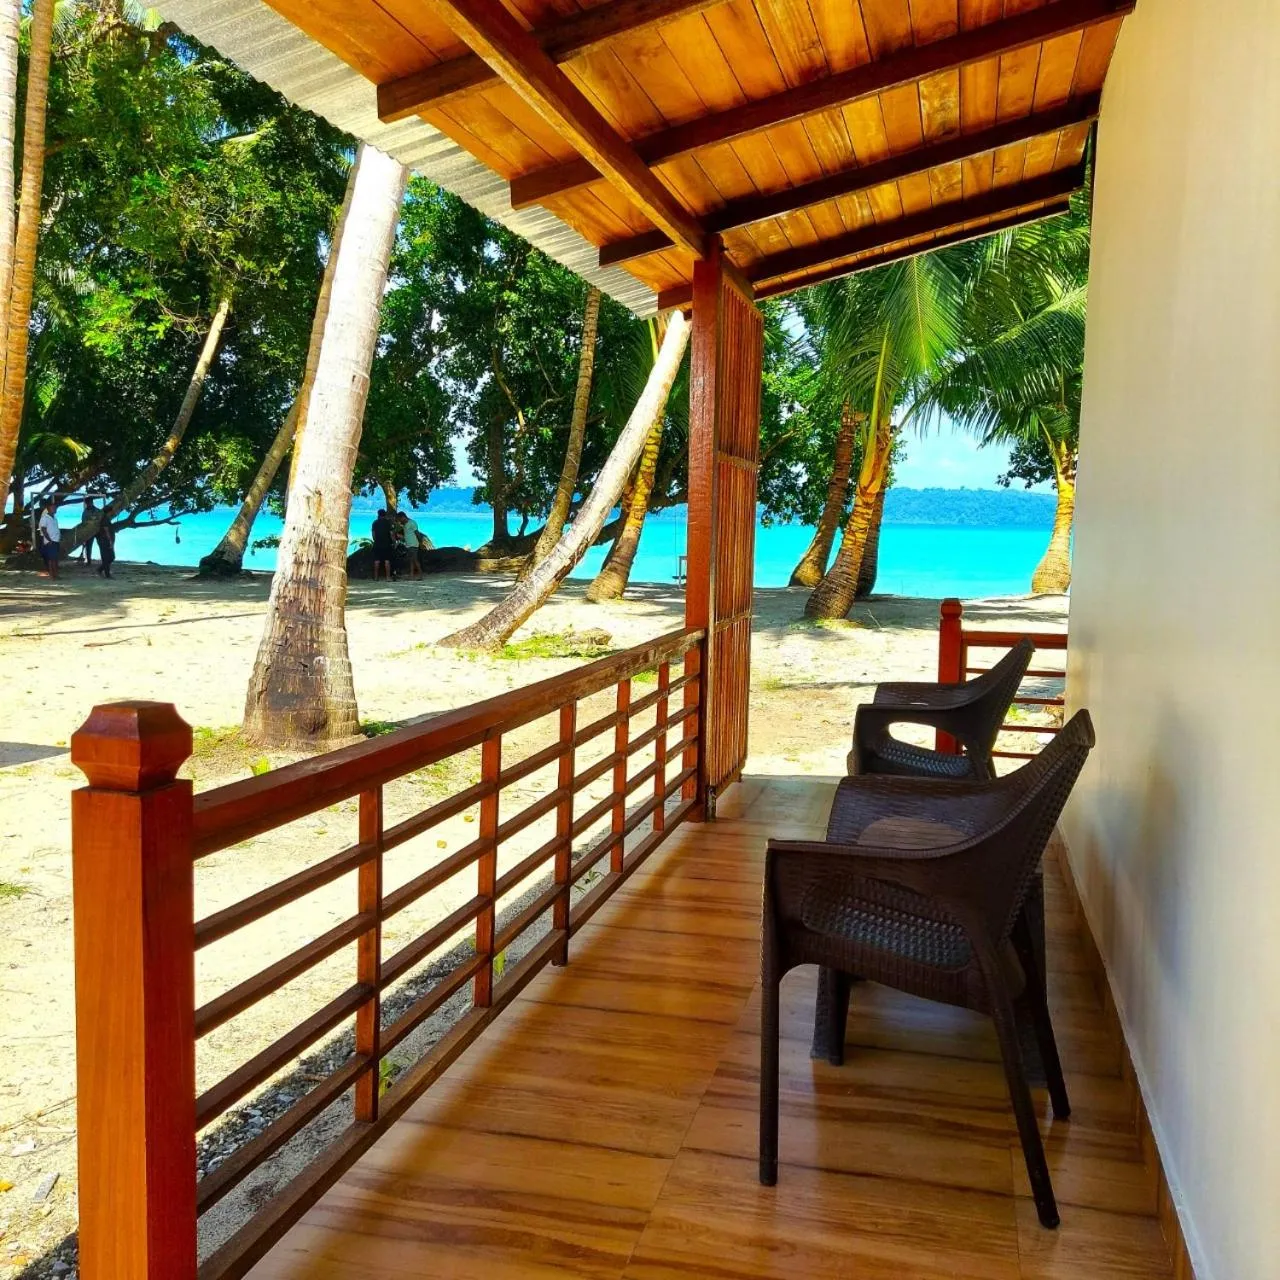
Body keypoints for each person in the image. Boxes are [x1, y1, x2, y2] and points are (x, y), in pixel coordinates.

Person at [37, 500, 61, 579]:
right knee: (51, 559)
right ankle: (52, 575)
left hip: (56, 540)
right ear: (48, 508)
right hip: (50, 541)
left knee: (55, 559)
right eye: (53, 507)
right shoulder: (45, 518)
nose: (55, 509)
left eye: (55, 507)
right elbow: (43, 530)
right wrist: (49, 540)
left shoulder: (54, 518)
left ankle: (55, 574)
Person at [397, 510, 423, 579]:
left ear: (403, 517)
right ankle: (411, 575)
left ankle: (420, 575)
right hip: (408, 545)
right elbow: (407, 535)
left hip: (413, 545)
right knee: (411, 560)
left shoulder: (412, 523)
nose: (400, 521)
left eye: (400, 519)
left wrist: (421, 543)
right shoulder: (405, 524)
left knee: (415, 560)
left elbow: (417, 533)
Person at [371, 508, 394, 581]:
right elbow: (391, 534)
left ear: (378, 514)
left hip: (377, 544)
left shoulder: (375, 523)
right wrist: (394, 542)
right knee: (387, 561)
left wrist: (376, 540)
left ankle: (376, 577)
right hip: (387, 544)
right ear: (385, 514)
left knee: (376, 561)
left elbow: (373, 535)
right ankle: (388, 577)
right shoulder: (388, 523)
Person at [80, 497, 98, 565]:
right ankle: (89, 560)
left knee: (101, 545)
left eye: (89, 502)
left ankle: (104, 558)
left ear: (92, 502)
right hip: (89, 531)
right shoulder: (85, 512)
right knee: (88, 546)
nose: (88, 504)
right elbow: (83, 522)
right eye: (87, 503)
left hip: (98, 530)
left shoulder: (97, 510)